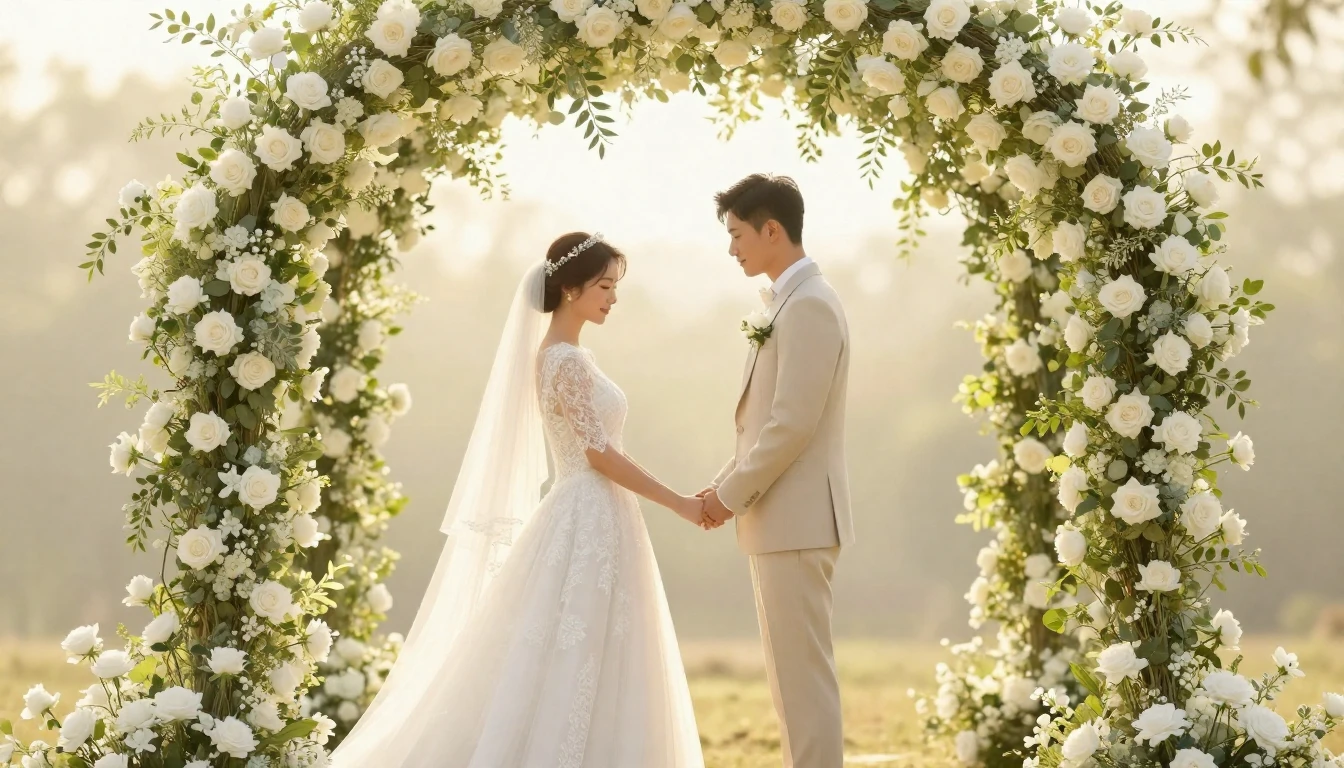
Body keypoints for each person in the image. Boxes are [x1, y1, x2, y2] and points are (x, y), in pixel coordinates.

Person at [328, 232, 705, 768]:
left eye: (615, 287)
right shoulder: (563, 361)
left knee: (602, 647)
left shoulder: (573, 356)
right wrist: (679, 502)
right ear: (571, 288)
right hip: (585, 513)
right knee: (574, 648)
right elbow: (598, 453)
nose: (614, 298)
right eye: (605, 286)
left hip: (601, 515)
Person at [698, 173, 855, 768]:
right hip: (781, 521)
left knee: (803, 684)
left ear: (771, 231)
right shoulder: (790, 302)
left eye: (737, 234)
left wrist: (728, 497)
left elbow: (792, 426)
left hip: (798, 522)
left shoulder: (809, 305)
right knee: (791, 685)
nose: (731, 248)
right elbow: (766, 423)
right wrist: (722, 486)